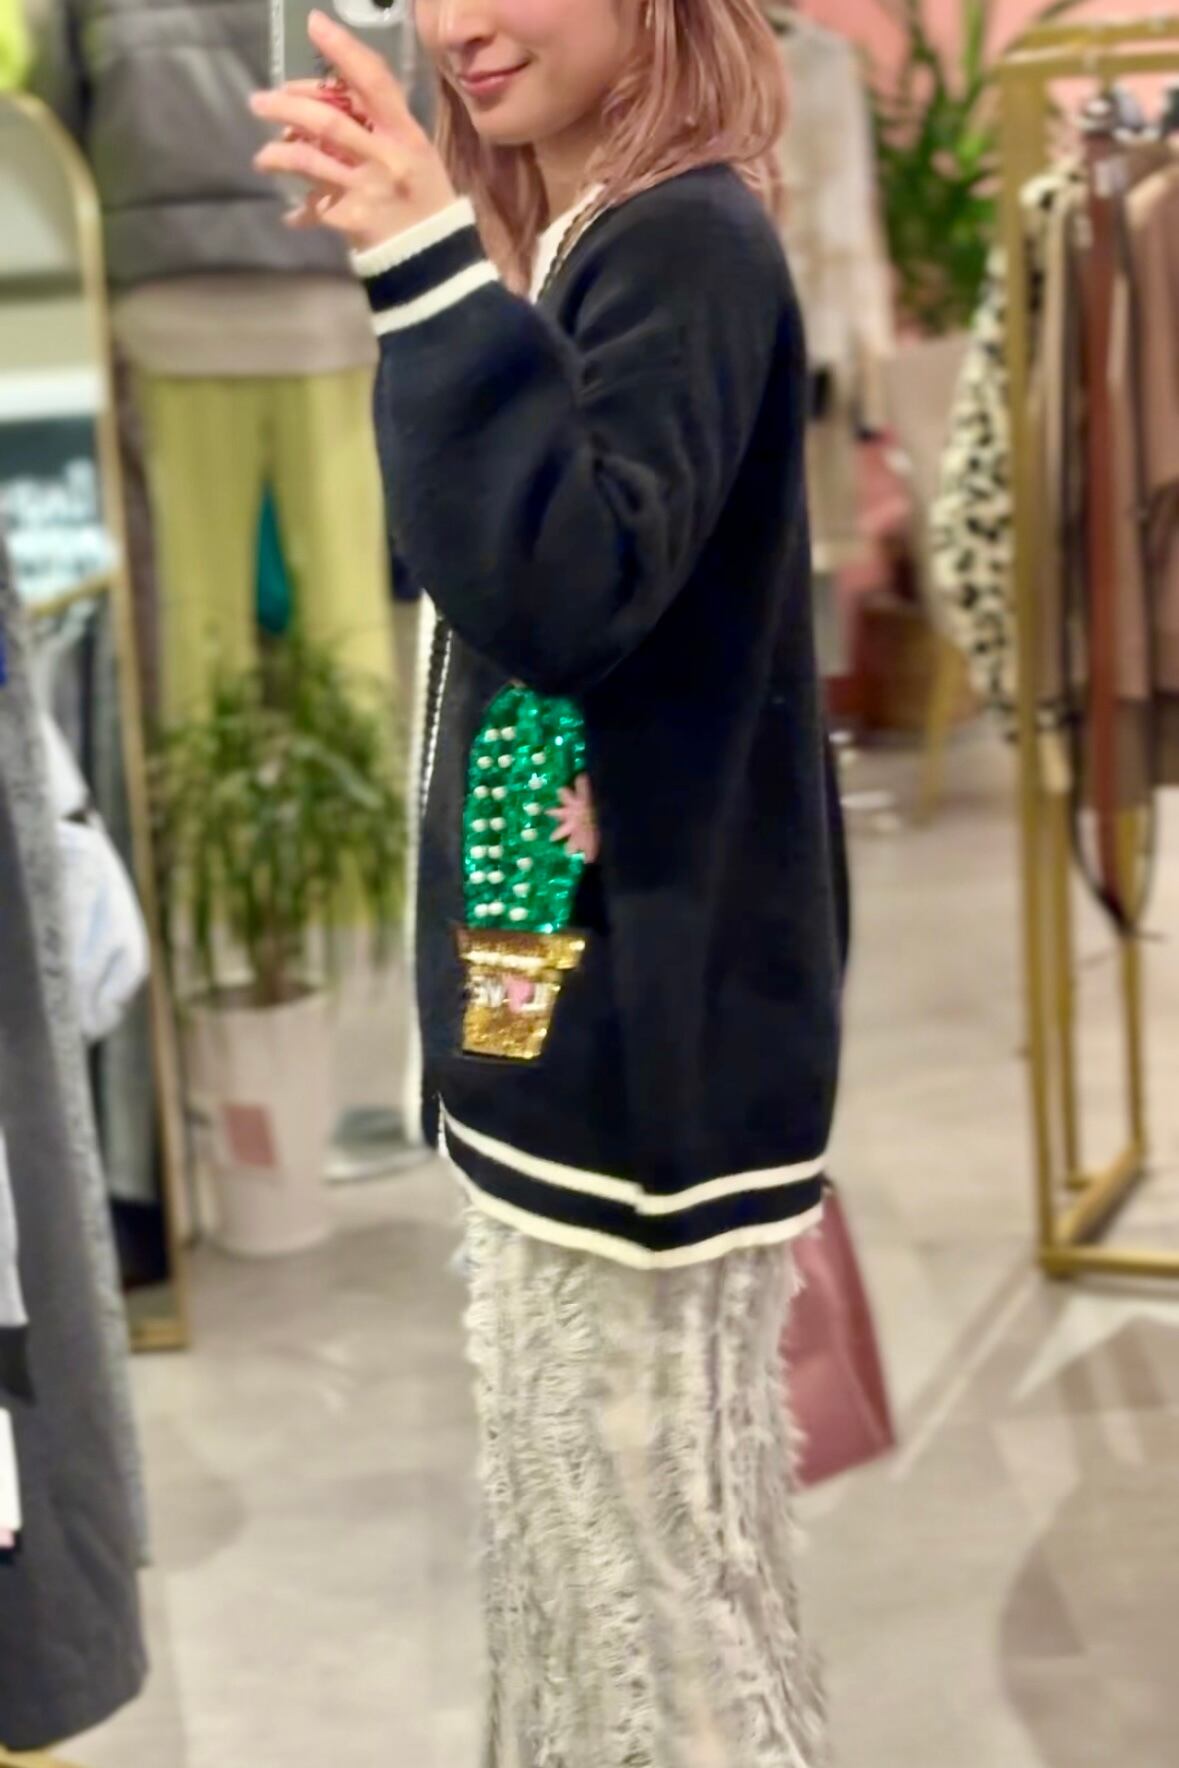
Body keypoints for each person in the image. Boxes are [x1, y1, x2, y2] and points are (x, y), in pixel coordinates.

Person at [254, 4, 846, 1762]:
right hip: (584, 1024)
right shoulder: (607, 234)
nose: (457, 21)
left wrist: (426, 271)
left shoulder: (680, 238)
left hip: (642, 1055)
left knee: (655, 1608)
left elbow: (560, 588)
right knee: (598, 1580)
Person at [28, 0, 398, 722]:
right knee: (346, 601)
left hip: (167, 307)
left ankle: (207, 795)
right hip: (329, 295)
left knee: (195, 611)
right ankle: (364, 794)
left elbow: (53, 132)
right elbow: (406, 97)